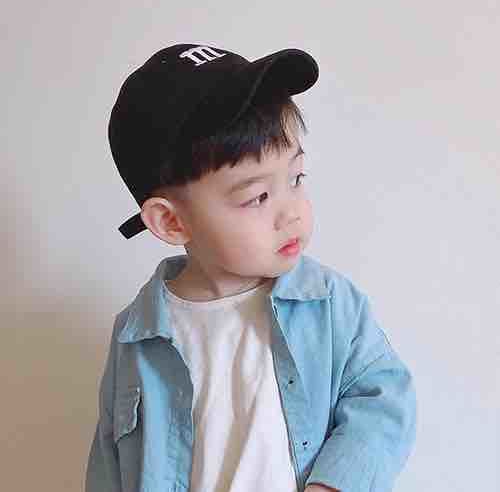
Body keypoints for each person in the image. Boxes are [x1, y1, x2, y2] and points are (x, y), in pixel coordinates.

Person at [85, 43, 417, 492]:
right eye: (258, 196)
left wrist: (335, 484)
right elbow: (109, 463)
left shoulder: (329, 303)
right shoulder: (136, 337)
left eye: (296, 178)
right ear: (171, 221)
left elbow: (384, 399)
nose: (292, 212)